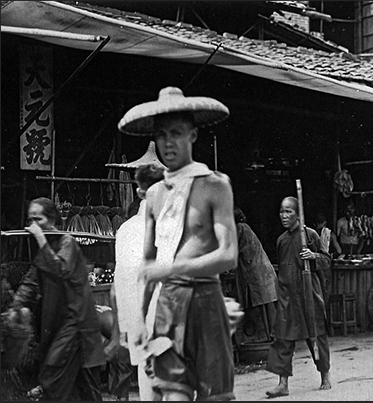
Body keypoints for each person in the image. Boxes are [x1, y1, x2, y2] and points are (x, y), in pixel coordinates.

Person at [120, 86, 239, 401]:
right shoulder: (155, 196)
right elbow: (148, 267)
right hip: (169, 304)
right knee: (172, 395)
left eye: (176, 133)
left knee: (216, 396)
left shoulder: (215, 186)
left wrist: (173, 267)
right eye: (161, 135)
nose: (167, 143)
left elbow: (228, 255)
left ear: (193, 135)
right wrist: (139, 322)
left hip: (206, 299)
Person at [8, 197, 105, 401]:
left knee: (74, 382)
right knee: (68, 386)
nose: (33, 225)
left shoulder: (67, 243)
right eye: (30, 220)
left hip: (78, 324)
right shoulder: (45, 247)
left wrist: (41, 240)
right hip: (61, 326)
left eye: (38, 219)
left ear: (51, 220)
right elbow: (32, 282)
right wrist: (15, 306)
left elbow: (59, 269)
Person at [265, 197, 332, 398]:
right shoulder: (281, 240)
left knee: (316, 334)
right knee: (282, 338)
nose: (284, 216)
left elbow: (327, 260)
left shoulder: (309, 235)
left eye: (288, 212)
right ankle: (282, 383)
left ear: (297, 214)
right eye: (281, 211)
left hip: (308, 292)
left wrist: (313, 256)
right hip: (287, 295)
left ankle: (325, 375)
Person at [110, 163, 165, 401]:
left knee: (148, 385)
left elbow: (119, 285)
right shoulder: (172, 227)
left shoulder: (125, 230)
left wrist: (125, 326)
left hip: (141, 323)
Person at [233, 206, 278, 342]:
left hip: (257, 272)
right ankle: (270, 339)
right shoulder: (244, 228)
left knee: (264, 307)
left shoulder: (240, 228)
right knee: (265, 306)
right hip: (259, 272)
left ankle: (268, 340)